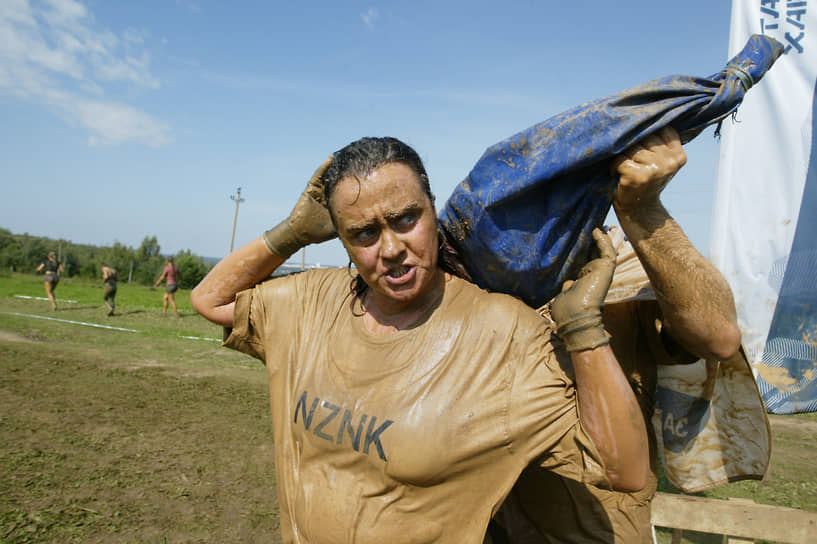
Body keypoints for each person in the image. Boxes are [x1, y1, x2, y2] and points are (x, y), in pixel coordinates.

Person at [191, 137, 649, 543]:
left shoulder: (501, 334)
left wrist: (583, 324)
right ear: (342, 240)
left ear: (433, 209)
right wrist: (292, 232)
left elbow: (622, 471)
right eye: (364, 233)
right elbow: (211, 300)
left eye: (406, 218)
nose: (390, 249)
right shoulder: (314, 300)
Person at [492, 127, 742, 543]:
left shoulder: (620, 266)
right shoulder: (476, 277)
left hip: (599, 530)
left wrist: (642, 211)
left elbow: (718, 337)